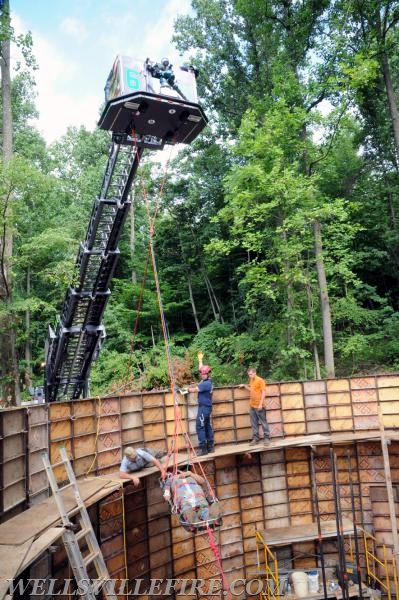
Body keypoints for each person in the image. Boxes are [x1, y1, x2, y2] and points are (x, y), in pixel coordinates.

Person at [238, 367, 270, 446]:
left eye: (251, 374)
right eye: (249, 374)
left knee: (263, 422)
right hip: (252, 405)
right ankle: (256, 439)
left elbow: (263, 392)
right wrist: (245, 386)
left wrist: (260, 404)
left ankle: (266, 438)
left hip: (259, 405)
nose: (250, 376)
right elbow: (252, 390)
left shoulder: (260, 380)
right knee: (254, 423)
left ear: (255, 373)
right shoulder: (251, 380)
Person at [188, 365, 214, 456]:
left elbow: (195, 389)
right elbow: (200, 384)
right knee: (207, 426)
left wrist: (185, 389)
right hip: (206, 407)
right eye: (202, 374)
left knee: (200, 426)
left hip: (204, 408)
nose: (202, 375)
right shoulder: (209, 382)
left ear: (207, 374)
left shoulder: (206, 384)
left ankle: (203, 449)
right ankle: (211, 447)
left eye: (204, 374)